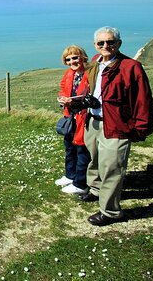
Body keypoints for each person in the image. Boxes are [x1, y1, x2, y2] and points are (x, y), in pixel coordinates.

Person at [79, 26, 153, 226]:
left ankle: (110, 211)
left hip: (117, 125)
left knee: (112, 167)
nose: (106, 46)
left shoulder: (131, 67)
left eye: (110, 42)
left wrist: (141, 127)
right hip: (94, 120)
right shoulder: (96, 62)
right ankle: (95, 189)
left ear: (118, 44)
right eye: (101, 43)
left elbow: (143, 100)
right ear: (95, 45)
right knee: (94, 159)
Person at [55, 45, 92, 195]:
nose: (72, 62)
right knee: (69, 147)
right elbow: (63, 88)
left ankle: (80, 183)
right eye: (68, 59)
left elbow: (91, 96)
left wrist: (74, 101)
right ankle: (70, 175)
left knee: (82, 149)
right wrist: (62, 98)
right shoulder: (70, 73)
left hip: (84, 117)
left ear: (82, 57)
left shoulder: (90, 74)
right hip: (70, 116)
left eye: (75, 57)